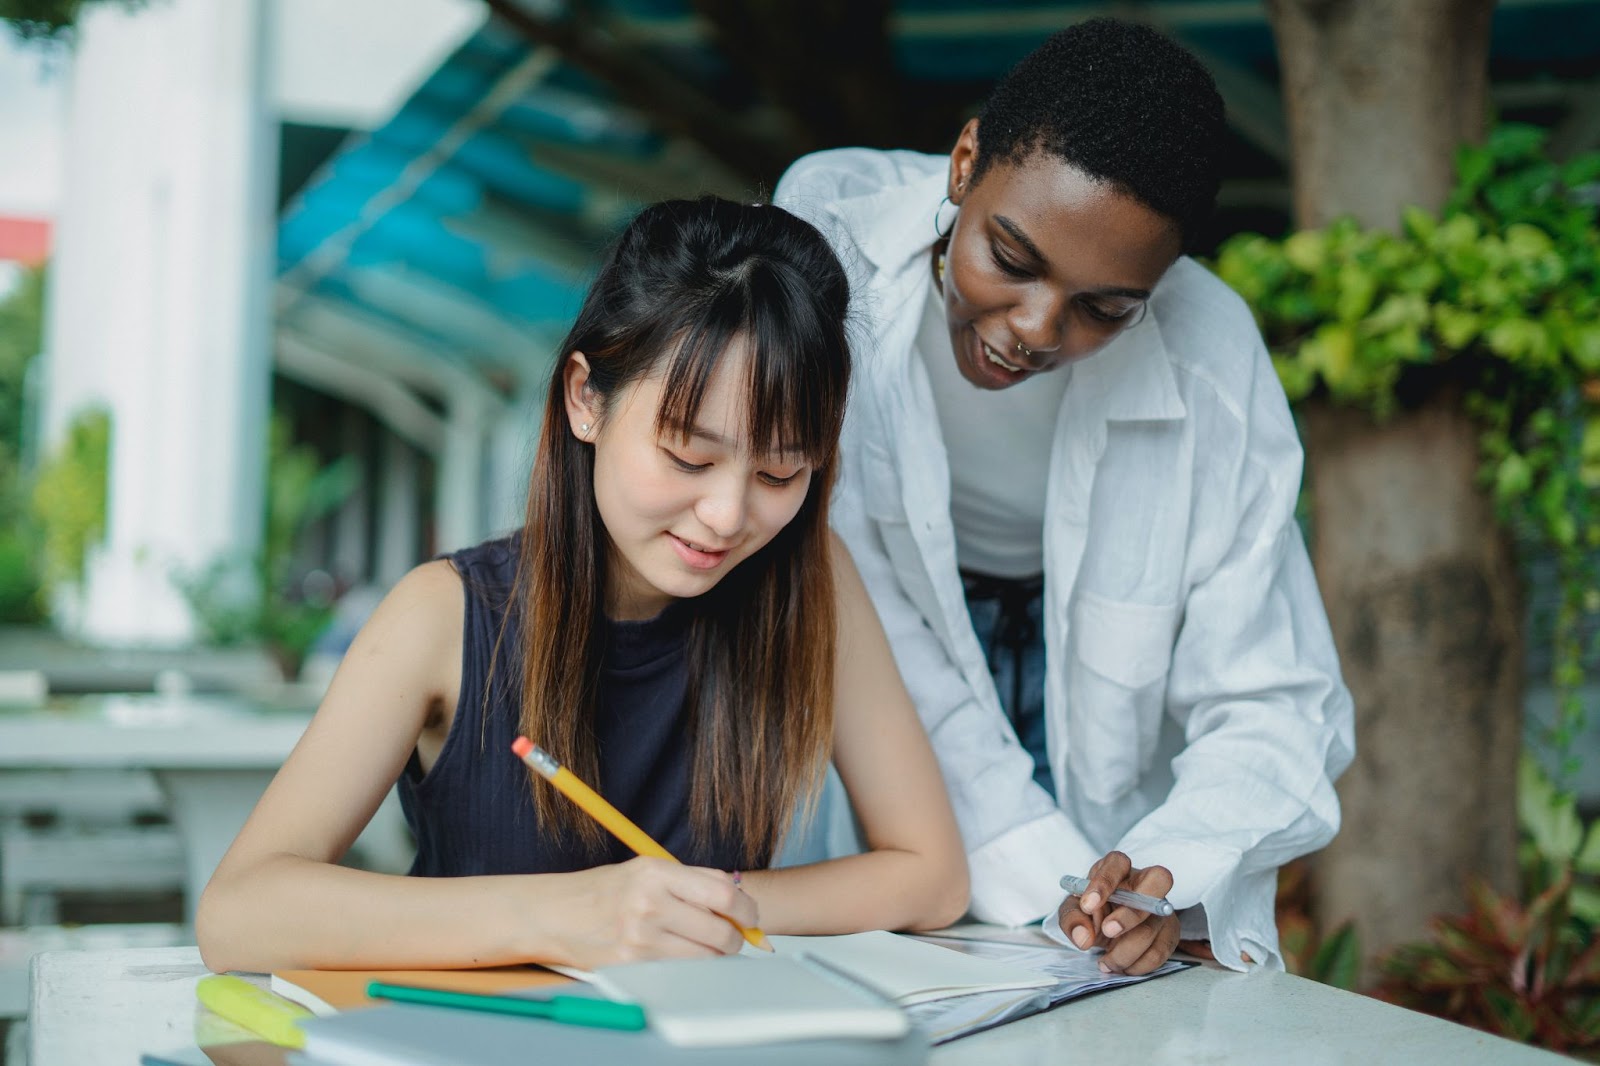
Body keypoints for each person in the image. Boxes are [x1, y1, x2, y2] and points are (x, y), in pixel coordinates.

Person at [196, 197, 969, 974]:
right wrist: (568, 915)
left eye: (779, 471)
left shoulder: (811, 579)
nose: (728, 514)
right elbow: (240, 912)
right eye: (688, 458)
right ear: (585, 399)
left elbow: (932, 876)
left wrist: (702, 908)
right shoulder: (443, 614)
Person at [774, 18, 1354, 975]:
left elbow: (1275, 697)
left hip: (1094, 712)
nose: (1037, 329)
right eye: (1011, 258)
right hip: (885, 647)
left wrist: (1154, 878)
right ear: (964, 164)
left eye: (1106, 309)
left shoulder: (1210, 356)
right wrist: (1059, 882)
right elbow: (857, 588)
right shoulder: (827, 245)